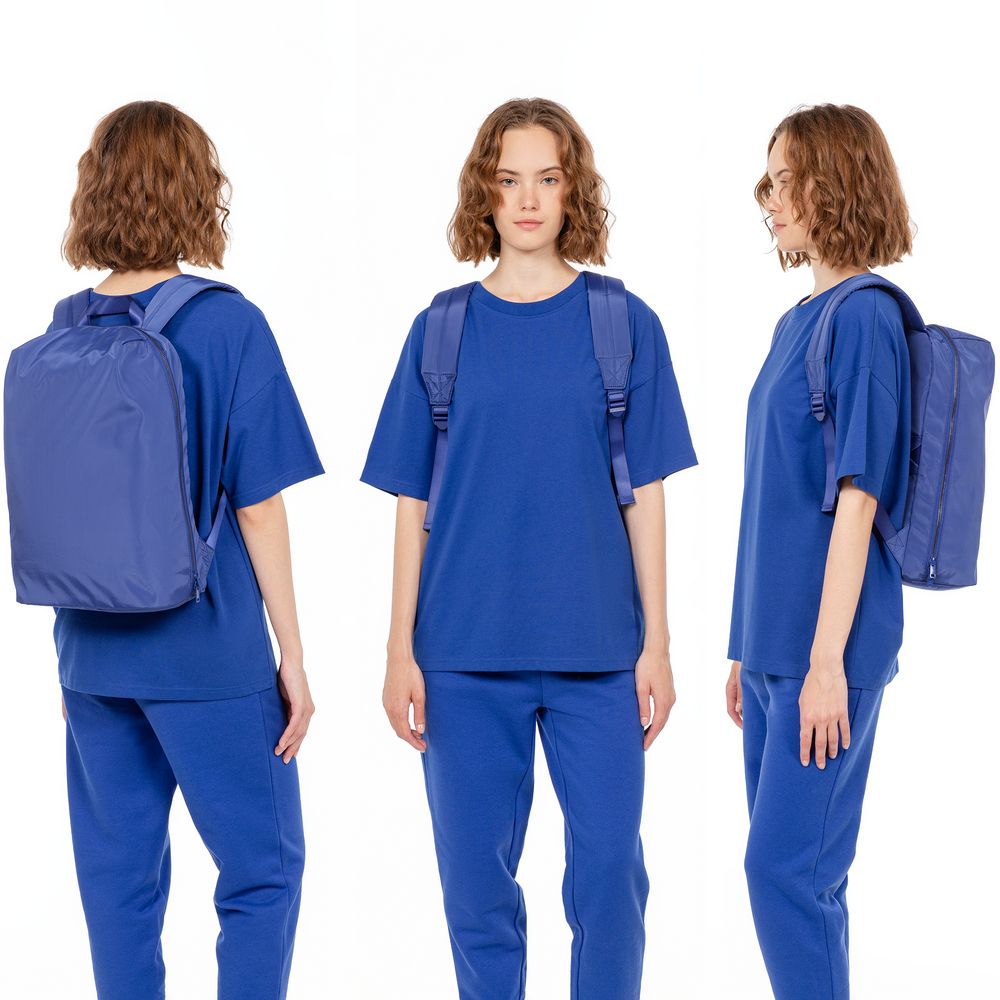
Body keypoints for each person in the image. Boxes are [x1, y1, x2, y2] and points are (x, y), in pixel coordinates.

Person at [361, 97, 697, 1000]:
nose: (528, 200)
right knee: (475, 894)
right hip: (462, 655)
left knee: (611, 883)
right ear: (485, 192)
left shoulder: (624, 324)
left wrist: (658, 644)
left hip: (600, 656)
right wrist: (398, 650)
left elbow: (647, 495)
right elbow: (412, 500)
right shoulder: (440, 328)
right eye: (509, 181)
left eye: (548, 179)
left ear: (573, 190)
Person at [54, 101, 324, 1000]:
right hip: (208, 652)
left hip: (91, 655)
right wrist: (292, 655)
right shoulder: (228, 325)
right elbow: (260, 508)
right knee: (261, 874)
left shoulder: (67, 325)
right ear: (198, 191)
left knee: (118, 889)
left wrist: (75, 661)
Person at [725, 104, 913, 999]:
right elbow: (775, 495)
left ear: (834, 184)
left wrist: (827, 662)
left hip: (823, 656)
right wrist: (745, 647)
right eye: (767, 182)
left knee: (784, 878)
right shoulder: (795, 321)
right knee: (805, 884)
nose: (768, 199)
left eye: (784, 180)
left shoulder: (865, 318)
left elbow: (858, 497)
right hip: (775, 652)